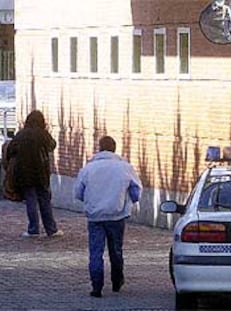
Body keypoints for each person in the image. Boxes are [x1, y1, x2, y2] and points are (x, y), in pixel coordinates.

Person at [74, 136, 142, 298]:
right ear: (114, 148)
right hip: (117, 214)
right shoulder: (124, 167)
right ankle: (117, 281)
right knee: (116, 250)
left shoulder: (89, 168)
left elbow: (78, 192)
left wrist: (92, 202)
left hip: (95, 216)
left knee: (95, 252)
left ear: (99, 148)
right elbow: (136, 191)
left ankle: (96, 286)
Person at [7, 110, 63, 238]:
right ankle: (51, 229)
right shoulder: (42, 134)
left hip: (24, 174)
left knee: (31, 201)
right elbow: (52, 145)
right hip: (41, 173)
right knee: (45, 201)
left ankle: (33, 229)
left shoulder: (20, 135)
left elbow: (10, 151)